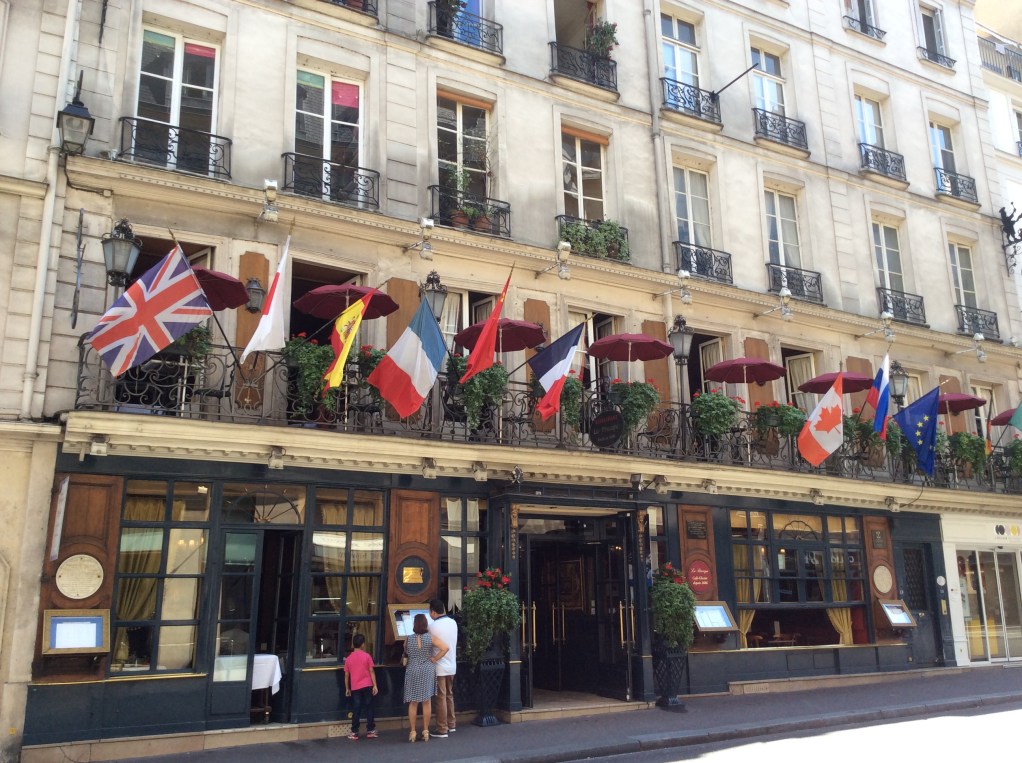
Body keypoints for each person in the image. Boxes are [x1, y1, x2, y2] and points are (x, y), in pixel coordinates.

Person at [403, 613, 448, 743]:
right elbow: (445, 648)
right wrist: (434, 658)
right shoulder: (430, 638)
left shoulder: (408, 639)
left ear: (414, 624)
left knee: (413, 702)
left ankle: (412, 731)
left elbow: (405, 652)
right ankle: (426, 731)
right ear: (425, 624)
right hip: (427, 669)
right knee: (426, 701)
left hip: (412, 669)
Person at [428, 598, 458, 737]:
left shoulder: (432, 626)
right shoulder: (453, 622)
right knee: (449, 695)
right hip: (452, 665)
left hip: (439, 666)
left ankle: (442, 728)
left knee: (441, 697)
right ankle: (451, 724)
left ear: (433, 612)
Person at [343, 633, 378, 740]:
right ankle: (370, 730)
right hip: (367, 684)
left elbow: (346, 675)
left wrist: (347, 688)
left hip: (355, 687)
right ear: (363, 644)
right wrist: (375, 685)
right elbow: (371, 671)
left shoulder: (349, 659)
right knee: (369, 707)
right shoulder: (367, 656)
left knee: (356, 708)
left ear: (353, 644)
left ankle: (354, 731)